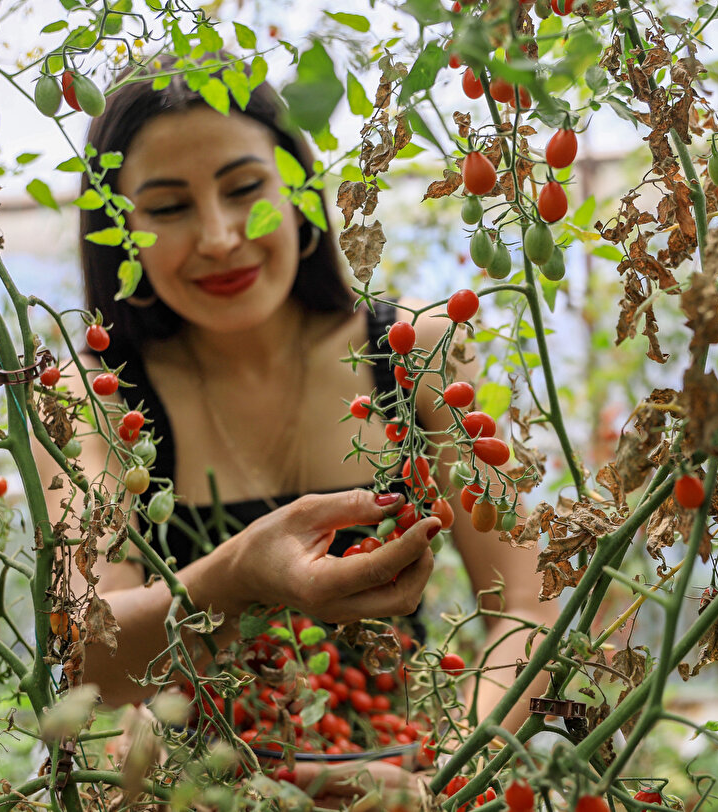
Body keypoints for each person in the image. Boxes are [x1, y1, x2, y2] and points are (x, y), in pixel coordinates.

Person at [32, 56, 551, 804]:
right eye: (169, 208)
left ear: (301, 192)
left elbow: (526, 608)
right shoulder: (101, 403)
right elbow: (86, 653)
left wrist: (443, 772)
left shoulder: (413, 353)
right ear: (122, 234)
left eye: (246, 190)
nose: (219, 237)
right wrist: (237, 576)